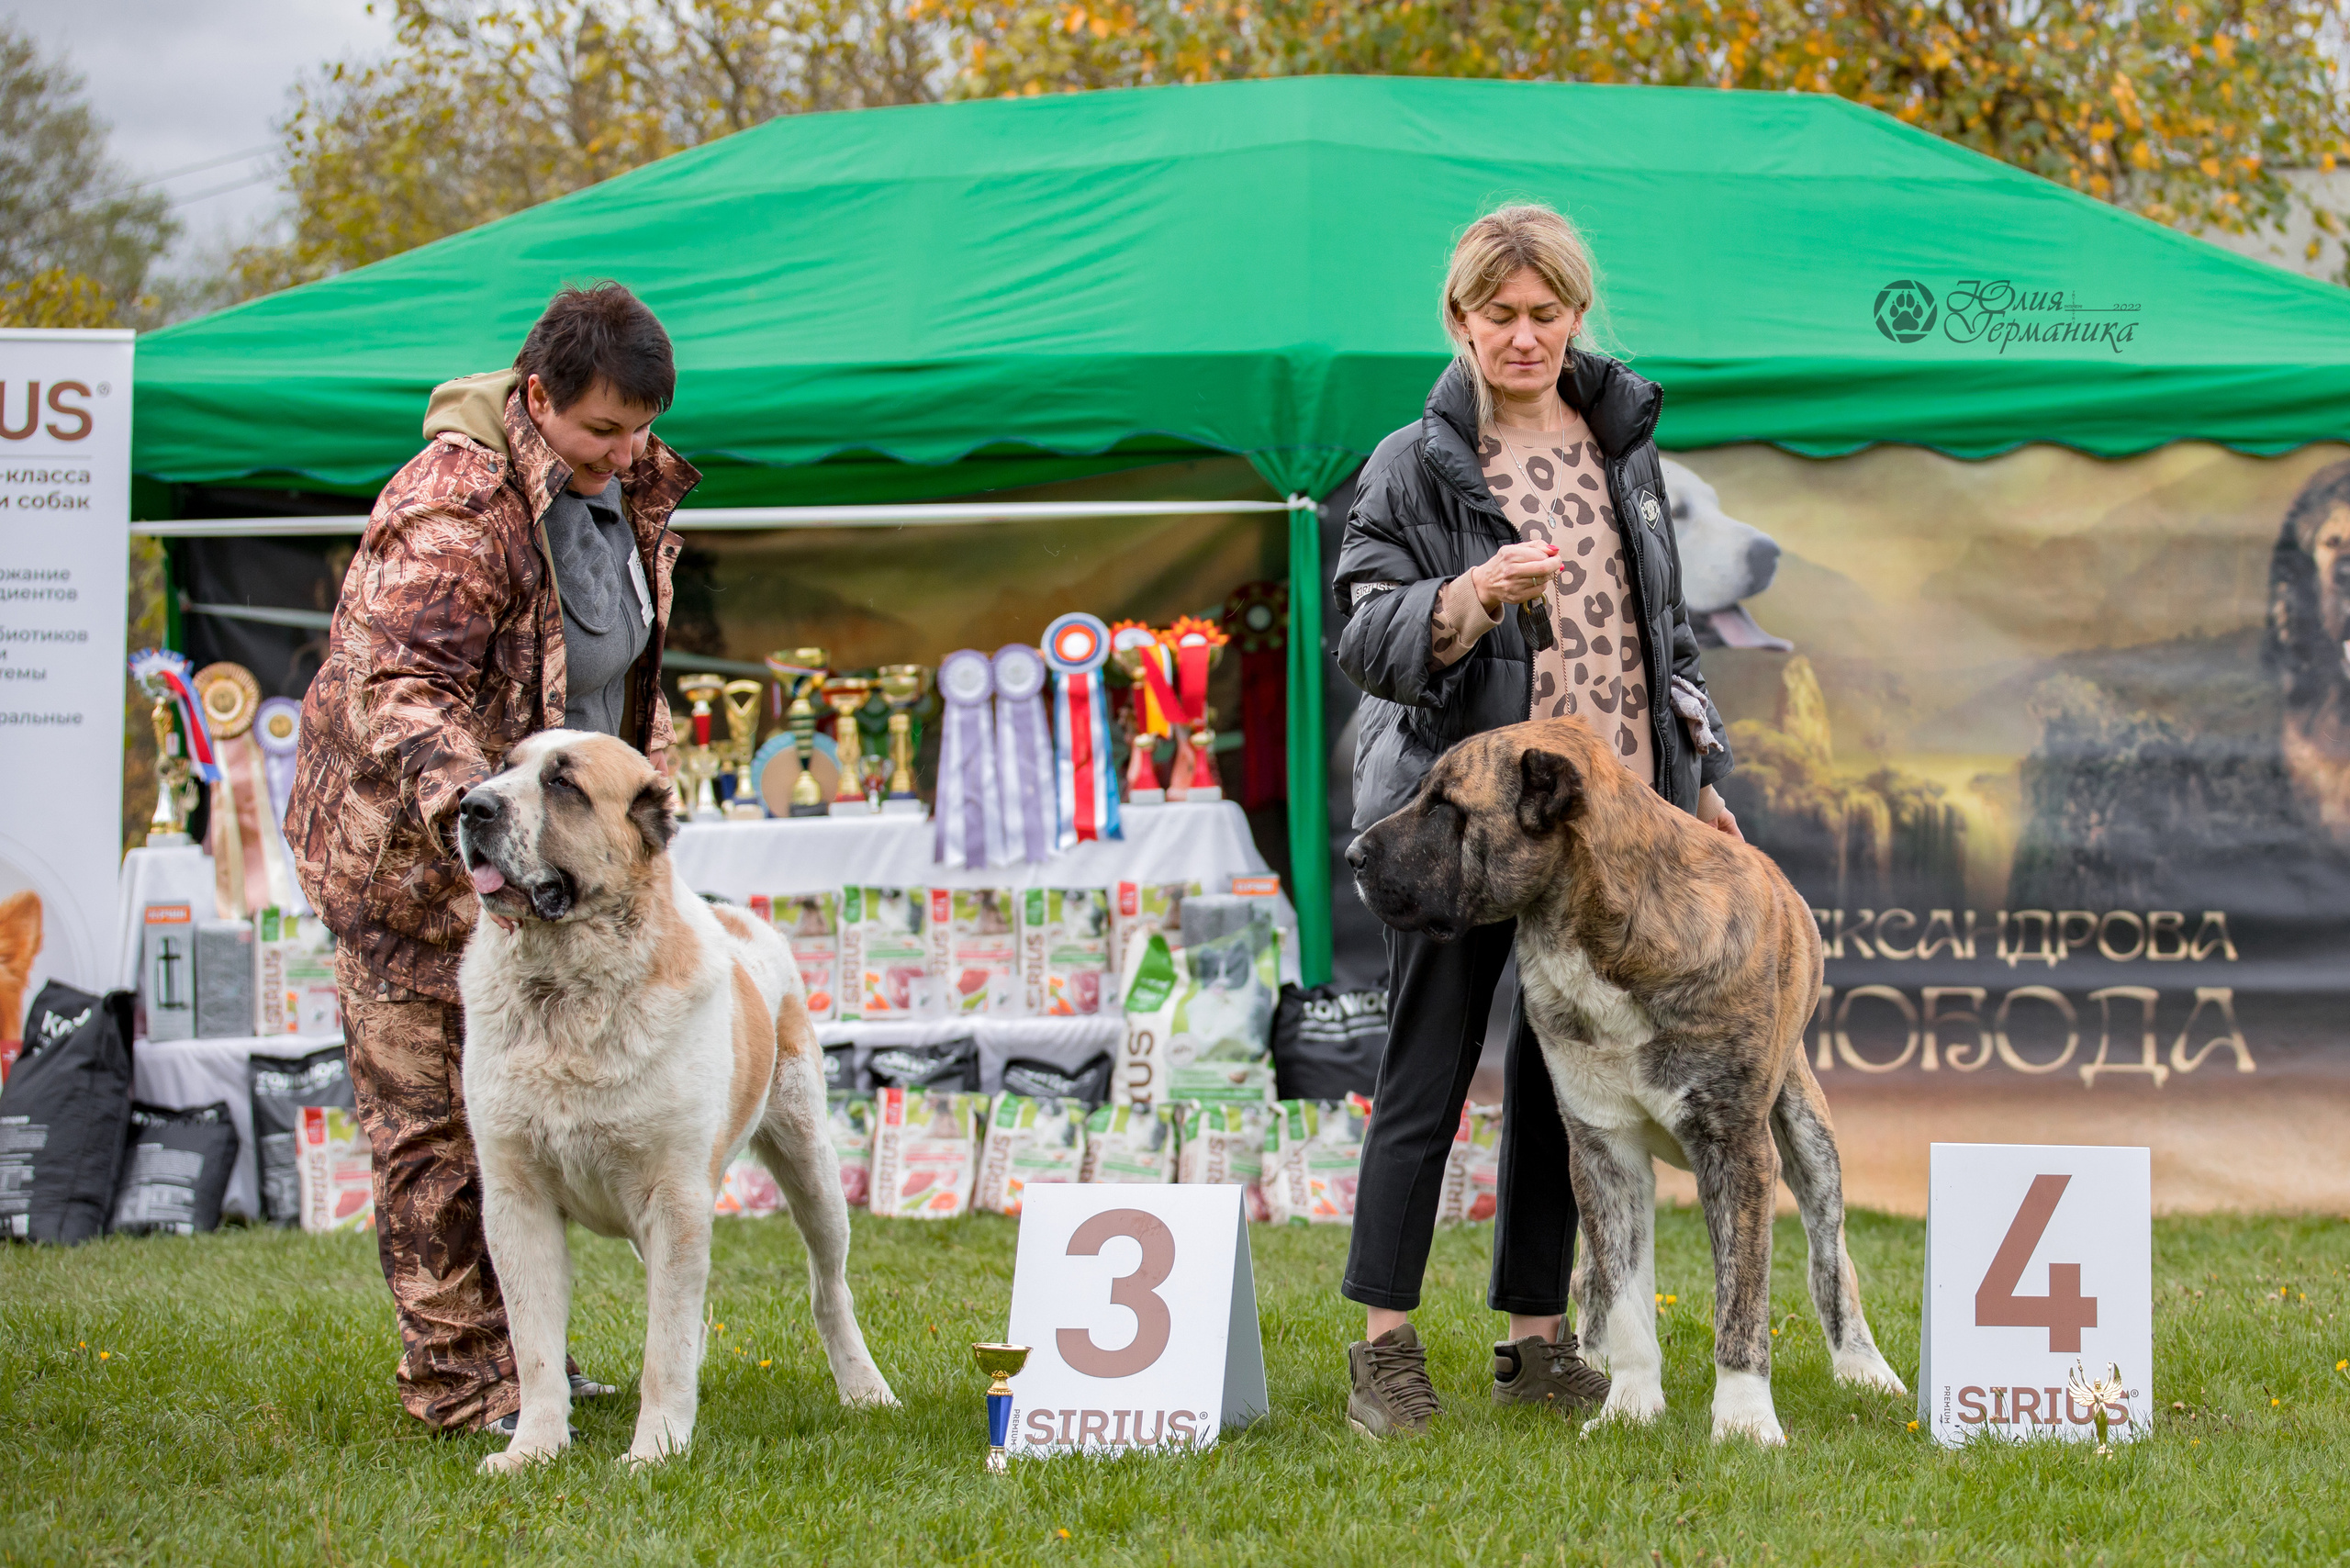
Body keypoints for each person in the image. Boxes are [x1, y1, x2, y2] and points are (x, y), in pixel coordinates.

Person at [1330, 204, 1740, 1438]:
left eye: (1544, 313)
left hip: (1601, 839)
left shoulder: (1626, 449)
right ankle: (1383, 1351)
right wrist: (1463, 598)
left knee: (1575, 1089)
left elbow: (1666, 638)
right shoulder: (1411, 461)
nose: (1523, 336)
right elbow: (1364, 634)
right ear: (1458, 320)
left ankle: (1536, 1342)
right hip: (1462, 834)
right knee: (1426, 1076)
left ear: (1576, 313)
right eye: (1498, 315)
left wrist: (1699, 776)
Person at [286, 283, 698, 1432]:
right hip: (411, 864)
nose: (627, 454)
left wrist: (645, 820)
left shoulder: (618, 488)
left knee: (521, 1131)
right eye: (603, 429)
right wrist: (491, 829)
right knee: (435, 1130)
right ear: (536, 396)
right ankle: (462, 1380)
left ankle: (534, 1367)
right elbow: (397, 688)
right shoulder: (452, 506)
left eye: (642, 429)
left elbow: (618, 688)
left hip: (544, 864)